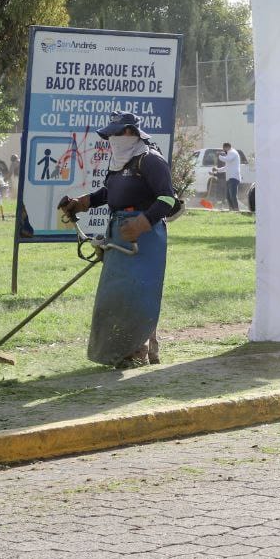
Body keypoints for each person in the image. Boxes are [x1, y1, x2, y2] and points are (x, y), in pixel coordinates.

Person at [59, 111, 178, 369]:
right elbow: (108, 193)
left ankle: (139, 353)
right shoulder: (119, 162)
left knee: (139, 292)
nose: (111, 138)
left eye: (115, 133)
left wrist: (142, 224)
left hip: (145, 236)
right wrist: (81, 203)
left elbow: (168, 199)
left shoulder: (150, 161)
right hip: (119, 230)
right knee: (119, 295)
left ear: (129, 133)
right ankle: (131, 351)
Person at [216, 142, 242, 212]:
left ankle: (236, 210)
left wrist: (219, 156)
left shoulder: (232, 152)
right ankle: (231, 209)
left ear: (226, 147)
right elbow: (226, 167)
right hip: (229, 178)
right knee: (228, 196)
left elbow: (227, 159)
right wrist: (217, 169)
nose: (223, 150)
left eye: (223, 149)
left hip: (234, 177)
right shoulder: (230, 154)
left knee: (232, 195)